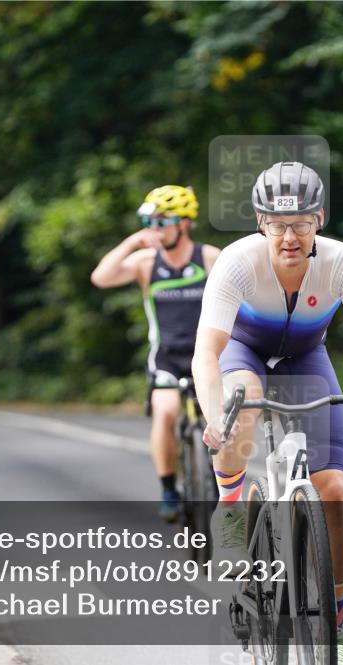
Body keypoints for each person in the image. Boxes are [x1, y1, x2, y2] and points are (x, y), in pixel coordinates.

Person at [192, 161, 343, 663]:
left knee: (334, 490)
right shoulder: (237, 262)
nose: (289, 236)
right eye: (278, 225)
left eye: (301, 224)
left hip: (307, 356)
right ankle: (232, 508)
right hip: (243, 352)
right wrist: (214, 416)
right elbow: (205, 353)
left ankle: (336, 620)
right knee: (241, 400)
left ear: (319, 219)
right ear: (261, 222)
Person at [91, 185, 220, 522]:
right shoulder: (147, 262)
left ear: (185, 223)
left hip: (209, 356)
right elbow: (101, 277)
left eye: (163, 222)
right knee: (165, 413)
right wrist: (133, 242)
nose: (155, 229)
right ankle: (168, 487)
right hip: (167, 357)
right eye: (150, 222)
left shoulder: (209, 258)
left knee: (218, 421)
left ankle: (221, 483)